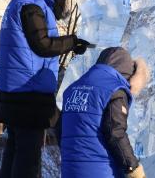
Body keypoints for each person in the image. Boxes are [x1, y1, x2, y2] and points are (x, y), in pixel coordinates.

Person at [0, 0, 91, 178]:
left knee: (15, 150)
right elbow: (42, 44)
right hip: (28, 92)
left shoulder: (25, 1)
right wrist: (72, 42)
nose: (67, 0)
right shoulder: (32, 6)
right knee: (28, 155)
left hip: (17, 92)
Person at [61, 47, 149, 178]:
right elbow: (115, 132)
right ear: (128, 74)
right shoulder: (115, 89)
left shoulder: (72, 89)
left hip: (70, 170)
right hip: (100, 170)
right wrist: (133, 169)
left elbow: (61, 131)